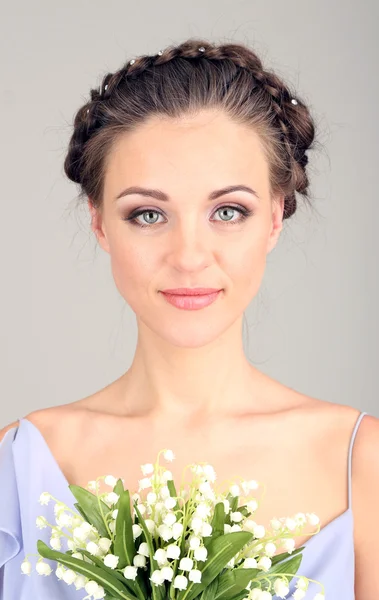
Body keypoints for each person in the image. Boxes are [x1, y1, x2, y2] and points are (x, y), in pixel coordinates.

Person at [0, 38, 378, 600]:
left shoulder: (363, 465)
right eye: (148, 214)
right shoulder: (19, 465)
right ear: (100, 223)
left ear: (274, 217)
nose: (190, 255)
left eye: (228, 211)